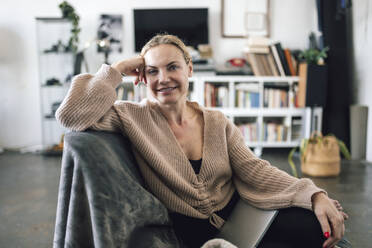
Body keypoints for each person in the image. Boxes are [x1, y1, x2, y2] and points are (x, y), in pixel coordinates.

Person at [56, 34, 348, 248]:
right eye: (152, 71)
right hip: (191, 233)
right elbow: (70, 116)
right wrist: (116, 70)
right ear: (142, 77)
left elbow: (254, 169)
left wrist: (313, 194)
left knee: (316, 226)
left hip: (242, 215)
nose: (164, 79)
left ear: (189, 70)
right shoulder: (128, 117)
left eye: (173, 67)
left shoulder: (216, 121)